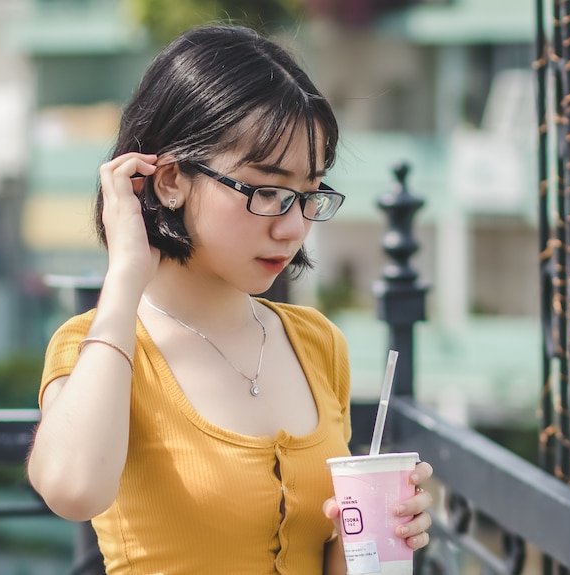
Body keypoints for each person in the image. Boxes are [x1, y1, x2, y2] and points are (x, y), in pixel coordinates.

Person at [26, 24, 434, 574]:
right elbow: (72, 491)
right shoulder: (99, 346)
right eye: (266, 191)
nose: (293, 228)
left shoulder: (316, 343)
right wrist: (125, 274)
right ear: (170, 180)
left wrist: (370, 536)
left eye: (309, 195)